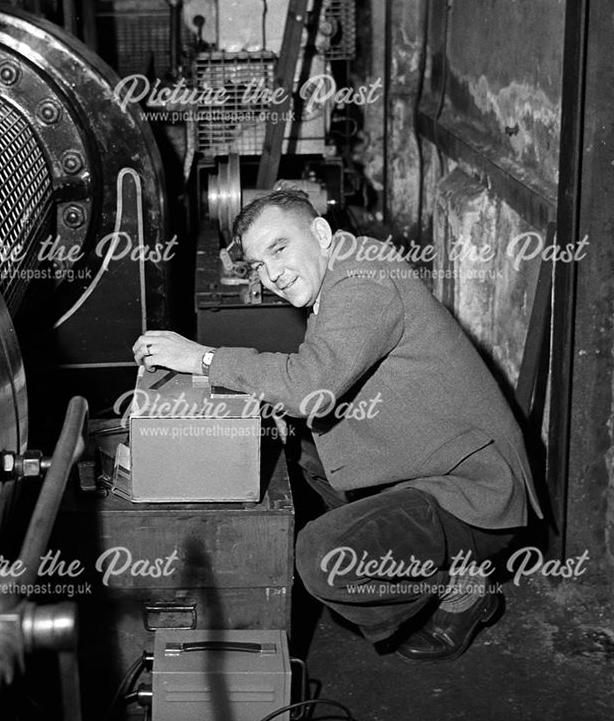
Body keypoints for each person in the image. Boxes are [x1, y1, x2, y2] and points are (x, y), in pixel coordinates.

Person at [133, 190, 542, 661]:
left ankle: (456, 585)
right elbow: (320, 382)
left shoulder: (363, 279)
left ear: (321, 233)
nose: (273, 275)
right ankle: (398, 543)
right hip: (430, 460)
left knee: (322, 559)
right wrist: (279, 407)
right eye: (258, 265)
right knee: (300, 451)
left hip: (475, 493)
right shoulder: (341, 270)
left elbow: (311, 384)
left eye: (280, 248)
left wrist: (203, 358)